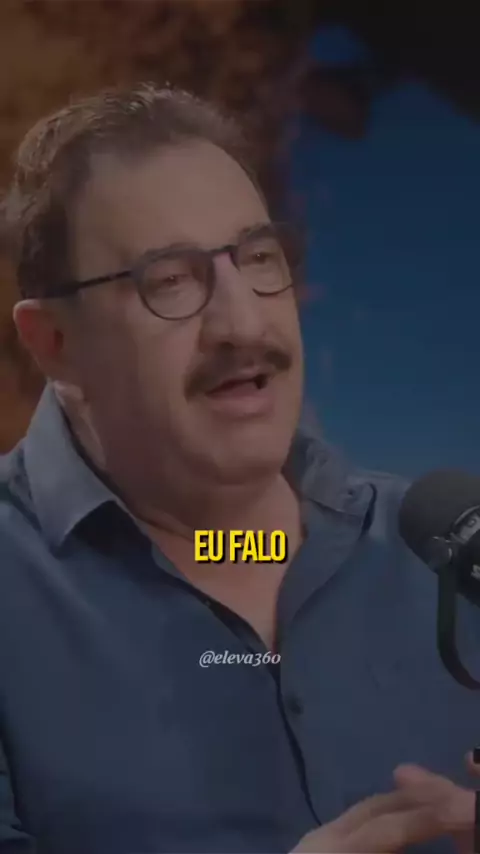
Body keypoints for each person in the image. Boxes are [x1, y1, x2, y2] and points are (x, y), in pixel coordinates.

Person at [0, 82, 480, 854]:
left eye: (259, 258)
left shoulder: (446, 553)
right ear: (56, 343)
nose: (243, 322)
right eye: (170, 280)